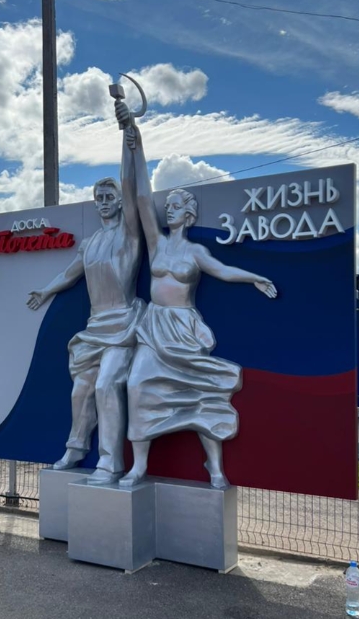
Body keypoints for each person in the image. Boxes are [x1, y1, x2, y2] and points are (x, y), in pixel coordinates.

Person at [115, 100, 277, 489]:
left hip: (184, 329)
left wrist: (255, 277)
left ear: (188, 215)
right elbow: (141, 198)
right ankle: (139, 465)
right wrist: (135, 143)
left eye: (175, 207)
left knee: (202, 393)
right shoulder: (156, 243)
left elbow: (223, 270)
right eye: (168, 206)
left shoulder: (196, 252)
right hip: (155, 327)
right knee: (137, 387)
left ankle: (215, 466)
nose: (168, 210)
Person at [27, 123, 144, 485]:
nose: (104, 202)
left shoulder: (130, 234)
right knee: (81, 390)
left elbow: (132, 185)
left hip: (123, 325)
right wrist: (45, 291)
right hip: (95, 329)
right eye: (99, 197)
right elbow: (70, 274)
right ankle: (76, 448)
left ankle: (110, 462)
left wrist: (129, 141)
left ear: (120, 202)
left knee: (107, 386)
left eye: (109, 196)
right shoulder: (89, 244)